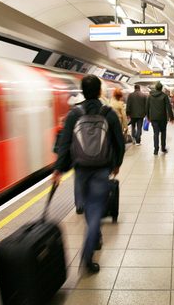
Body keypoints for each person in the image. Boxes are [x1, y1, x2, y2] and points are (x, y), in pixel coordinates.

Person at [53, 75, 125, 274]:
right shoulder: (108, 113)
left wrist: (59, 169)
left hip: (81, 169)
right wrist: (117, 163)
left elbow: (65, 143)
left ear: (82, 91)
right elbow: (119, 141)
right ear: (100, 91)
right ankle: (87, 254)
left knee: (88, 209)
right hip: (102, 168)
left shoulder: (74, 114)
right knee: (95, 212)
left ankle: (95, 237)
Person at [146, 82, 174, 155]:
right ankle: (163, 148)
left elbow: (147, 107)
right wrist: (171, 117)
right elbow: (168, 107)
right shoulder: (164, 96)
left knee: (155, 133)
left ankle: (156, 150)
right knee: (163, 133)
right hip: (162, 118)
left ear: (155, 88)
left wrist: (148, 117)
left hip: (154, 118)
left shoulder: (150, 96)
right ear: (161, 88)